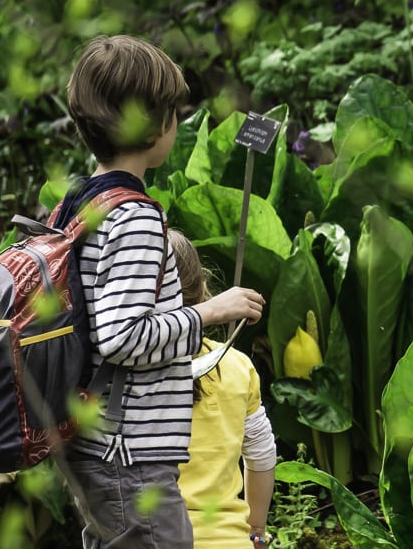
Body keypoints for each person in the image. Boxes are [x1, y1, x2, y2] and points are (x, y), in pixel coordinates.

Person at [60, 34, 266, 549]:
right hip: (130, 457)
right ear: (156, 125)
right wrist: (210, 311)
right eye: (174, 110)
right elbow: (122, 335)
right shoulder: (135, 217)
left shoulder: (82, 203)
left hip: (100, 445)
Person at [168, 229, 277, 548]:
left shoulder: (119, 374)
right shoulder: (237, 366)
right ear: (203, 288)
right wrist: (256, 528)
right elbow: (262, 454)